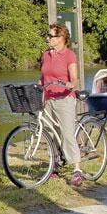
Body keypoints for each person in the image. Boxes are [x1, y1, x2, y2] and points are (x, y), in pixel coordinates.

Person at [41, 22, 83, 187]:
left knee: (67, 134)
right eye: (48, 35)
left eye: (51, 36)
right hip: (49, 99)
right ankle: (55, 165)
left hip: (64, 98)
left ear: (61, 38)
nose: (48, 38)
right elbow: (43, 76)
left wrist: (71, 84)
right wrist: (38, 87)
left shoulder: (69, 55)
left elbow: (74, 78)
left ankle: (77, 170)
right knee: (51, 133)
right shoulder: (46, 55)